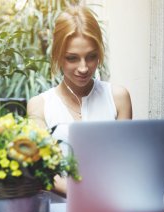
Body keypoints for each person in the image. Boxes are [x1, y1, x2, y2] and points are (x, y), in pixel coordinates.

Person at [27, 5, 133, 197]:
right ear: (58, 56)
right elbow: (44, 172)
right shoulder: (39, 105)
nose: (83, 68)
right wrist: (88, 195)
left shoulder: (119, 98)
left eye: (91, 57)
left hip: (111, 207)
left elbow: (123, 163)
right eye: (72, 58)